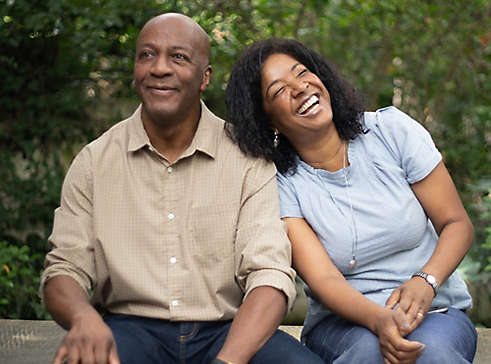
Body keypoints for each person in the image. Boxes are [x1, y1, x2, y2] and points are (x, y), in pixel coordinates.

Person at [40, 16, 324, 364]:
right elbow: (63, 269)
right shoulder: (95, 162)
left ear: (205, 77)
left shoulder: (248, 159)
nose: (159, 68)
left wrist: (226, 361)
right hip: (128, 331)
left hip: (229, 330)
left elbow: (270, 275)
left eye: (178, 57)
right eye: (147, 55)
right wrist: (83, 318)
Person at [225, 38, 477, 364]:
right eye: (278, 91)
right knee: (369, 354)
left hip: (435, 309)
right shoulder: (281, 183)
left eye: (302, 73)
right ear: (268, 121)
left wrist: (425, 282)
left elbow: (456, 224)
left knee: (432, 354)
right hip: (342, 323)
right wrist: (380, 319)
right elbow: (324, 279)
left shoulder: (391, 131)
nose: (300, 88)